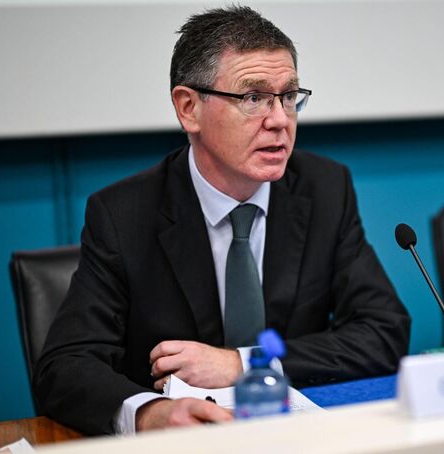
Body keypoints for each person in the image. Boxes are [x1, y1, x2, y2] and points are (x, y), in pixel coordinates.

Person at [34, 6, 410, 435]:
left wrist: (242, 363)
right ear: (189, 108)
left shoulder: (325, 189)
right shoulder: (124, 214)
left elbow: (384, 330)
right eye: (253, 98)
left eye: (289, 96)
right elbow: (65, 366)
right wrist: (150, 414)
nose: (279, 120)